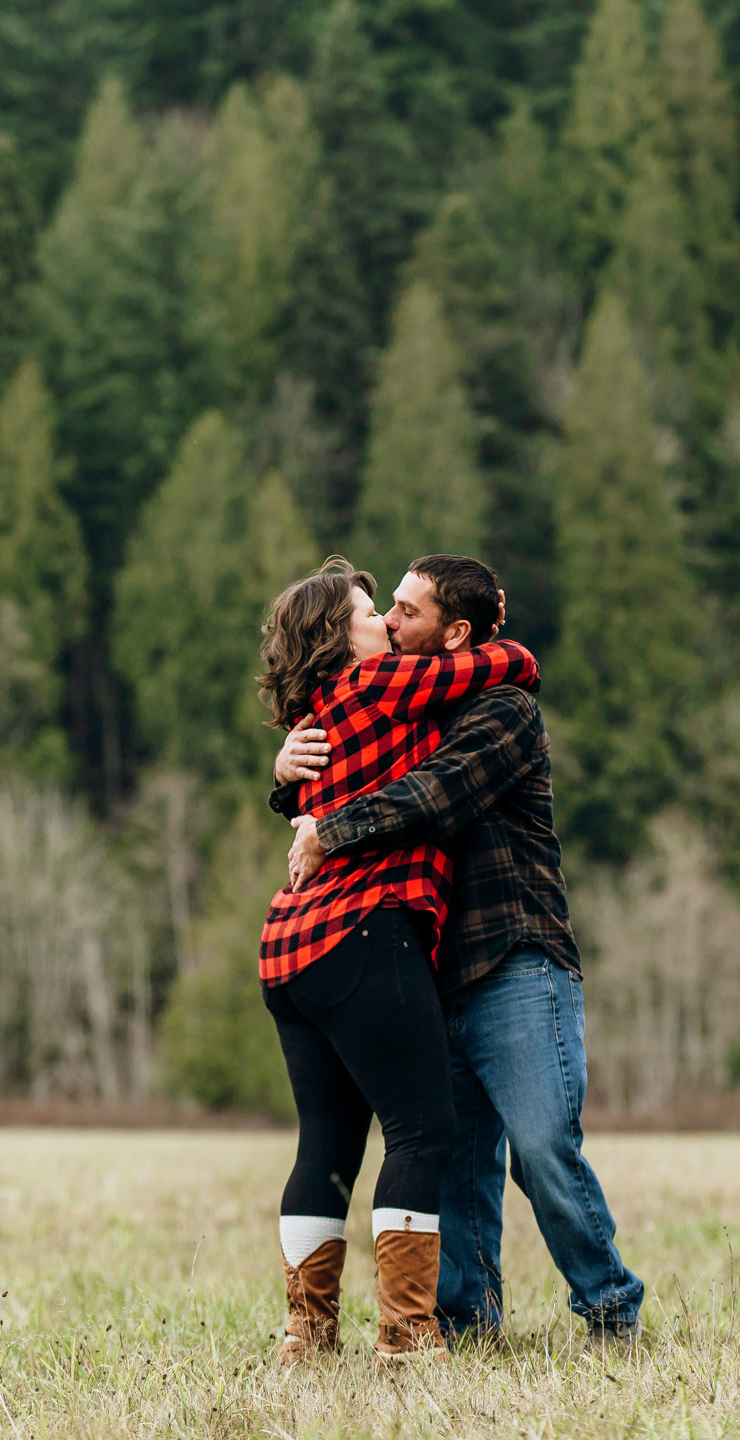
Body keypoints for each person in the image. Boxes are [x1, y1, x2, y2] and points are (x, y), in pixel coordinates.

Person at [273, 554, 646, 1347]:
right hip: (430, 964)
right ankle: (466, 1320)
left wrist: (327, 830)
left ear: (457, 634)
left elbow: (434, 794)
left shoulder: (504, 708)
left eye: (408, 612)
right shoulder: (410, 701)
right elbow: (346, 753)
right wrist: (287, 779)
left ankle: (611, 1308)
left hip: (514, 959)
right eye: (386, 610)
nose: (392, 622)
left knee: (542, 1148)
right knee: (455, 1158)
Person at [254, 556, 541, 1366]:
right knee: (423, 1130)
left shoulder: (316, 713)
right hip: (362, 932)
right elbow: (511, 664)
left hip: (291, 950)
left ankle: (305, 1337)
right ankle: (409, 1336)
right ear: (342, 641)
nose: (386, 624)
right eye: (368, 613)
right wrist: (504, 640)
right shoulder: (381, 685)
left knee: (327, 1147)